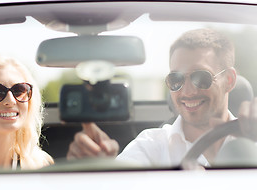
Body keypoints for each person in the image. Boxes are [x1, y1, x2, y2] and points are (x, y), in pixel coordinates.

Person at [67, 28, 257, 167]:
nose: (187, 91)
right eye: (176, 79)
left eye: (201, 77)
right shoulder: (152, 144)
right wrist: (101, 168)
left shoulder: (254, 137)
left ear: (230, 80)